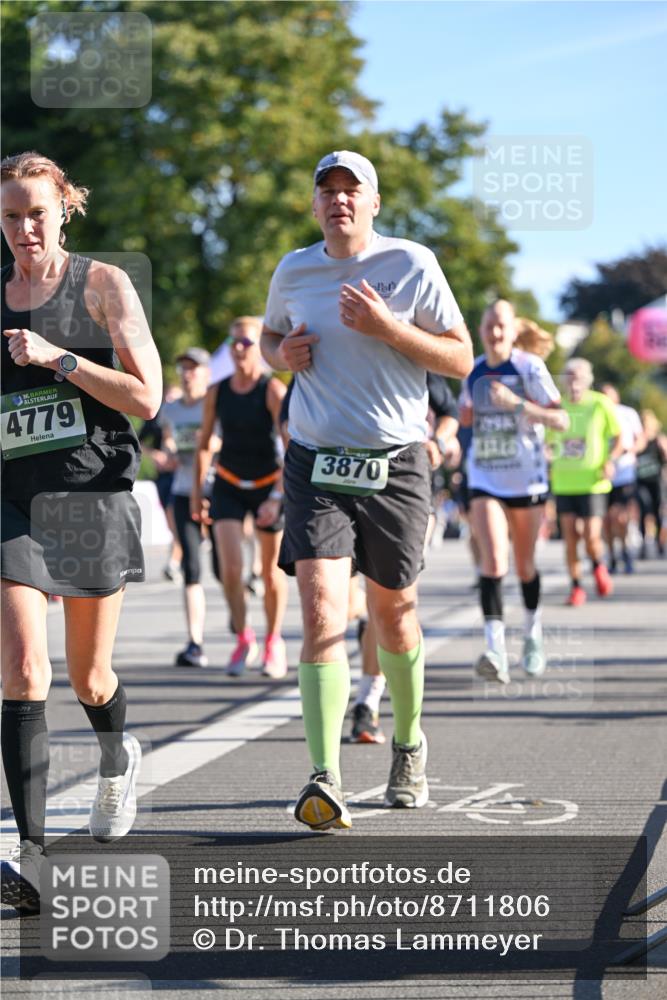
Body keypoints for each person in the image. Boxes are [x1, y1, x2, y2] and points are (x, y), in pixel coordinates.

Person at [260, 149, 473, 830]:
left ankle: (407, 744)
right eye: (327, 190)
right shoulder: (294, 269)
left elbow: (460, 357)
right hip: (315, 459)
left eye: (352, 191)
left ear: (373, 203)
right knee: (322, 613)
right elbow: (268, 336)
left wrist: (389, 329)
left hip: (396, 461)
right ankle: (323, 776)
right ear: (314, 202)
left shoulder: (410, 264)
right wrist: (279, 356)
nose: (339, 201)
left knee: (394, 617)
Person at [0, 151, 162, 911]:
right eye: (10, 215)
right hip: (13, 504)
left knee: (90, 676)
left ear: (64, 206)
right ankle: (30, 860)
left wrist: (59, 358)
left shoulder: (102, 285)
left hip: (90, 495)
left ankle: (115, 758)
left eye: (37, 211)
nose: (24, 227)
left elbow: (148, 397)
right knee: (26, 670)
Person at [459, 300, 568, 684]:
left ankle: (533, 635)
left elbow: (561, 418)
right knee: (493, 561)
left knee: (525, 565)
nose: (495, 332)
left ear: (513, 329)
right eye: (489, 325)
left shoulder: (528, 367)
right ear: (481, 329)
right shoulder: (470, 369)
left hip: (527, 480)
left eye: (502, 325)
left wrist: (519, 404)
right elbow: (466, 417)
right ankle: (495, 650)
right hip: (484, 477)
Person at [193, 316, 288, 678]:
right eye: (233, 342)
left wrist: (278, 496)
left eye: (246, 342)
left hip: (268, 484)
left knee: (270, 570)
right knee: (230, 570)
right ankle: (244, 636)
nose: (237, 349)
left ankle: (273, 641)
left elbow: (291, 447)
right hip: (229, 483)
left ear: (259, 348)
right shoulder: (217, 391)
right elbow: (203, 445)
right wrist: (197, 495)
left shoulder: (272, 391)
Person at [159, 347, 221, 667]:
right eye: (183, 368)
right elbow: (168, 441)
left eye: (194, 368)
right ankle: (195, 642)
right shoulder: (170, 410)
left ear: (207, 373)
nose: (187, 374)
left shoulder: (217, 405)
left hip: (220, 492)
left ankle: (242, 629)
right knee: (191, 569)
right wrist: (168, 453)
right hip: (185, 491)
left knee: (226, 572)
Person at [546, 359, 622, 606]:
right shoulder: (557, 407)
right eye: (568, 375)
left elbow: (620, 437)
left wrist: (610, 460)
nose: (573, 380)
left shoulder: (600, 403)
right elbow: (548, 441)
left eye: (578, 376)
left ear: (587, 379)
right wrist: (547, 454)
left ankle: (599, 565)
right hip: (564, 482)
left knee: (590, 536)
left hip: (593, 482)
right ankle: (576, 586)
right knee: (570, 537)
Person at [600, 383, 645, 574]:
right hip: (600, 475)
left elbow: (640, 438)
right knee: (606, 520)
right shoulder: (597, 412)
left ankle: (625, 550)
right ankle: (611, 555)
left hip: (624, 473)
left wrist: (630, 451)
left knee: (620, 517)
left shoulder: (628, 413)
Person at [636, 409, 667, 557]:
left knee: (656, 511)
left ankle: (659, 542)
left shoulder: (658, 440)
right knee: (643, 509)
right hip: (641, 481)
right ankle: (643, 543)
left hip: (656, 481)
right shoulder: (638, 441)